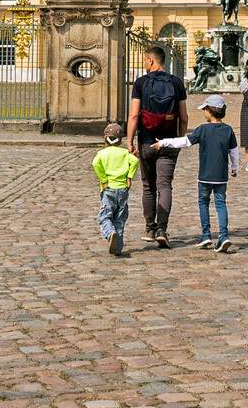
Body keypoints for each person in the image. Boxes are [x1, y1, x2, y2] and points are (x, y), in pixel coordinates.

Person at [155, 92, 239, 253]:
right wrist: (234, 168)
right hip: (221, 177)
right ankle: (223, 235)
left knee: (203, 203)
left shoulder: (202, 130)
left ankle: (206, 234)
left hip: (205, 176)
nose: (204, 112)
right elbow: (233, 152)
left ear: (209, 110)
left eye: (204, 109)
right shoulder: (228, 130)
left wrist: (165, 142)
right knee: (221, 204)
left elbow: (184, 142)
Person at [125, 45, 187, 247]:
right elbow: (184, 117)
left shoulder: (141, 83)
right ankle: (162, 228)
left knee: (148, 186)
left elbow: (134, 115)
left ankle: (150, 229)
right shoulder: (176, 82)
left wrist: (129, 141)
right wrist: (179, 139)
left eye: (145, 60)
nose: (144, 64)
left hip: (147, 141)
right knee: (165, 185)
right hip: (169, 141)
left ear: (151, 61)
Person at [91, 121, 139, 257]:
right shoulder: (124, 153)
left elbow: (95, 164)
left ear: (105, 138)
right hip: (123, 190)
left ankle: (109, 232)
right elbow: (135, 161)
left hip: (108, 190)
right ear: (120, 139)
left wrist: (104, 179)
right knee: (120, 217)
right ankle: (117, 247)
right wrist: (129, 177)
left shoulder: (102, 153)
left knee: (104, 216)